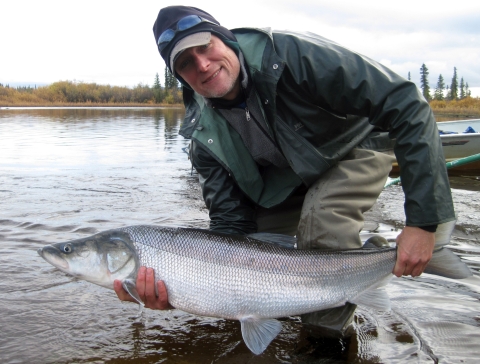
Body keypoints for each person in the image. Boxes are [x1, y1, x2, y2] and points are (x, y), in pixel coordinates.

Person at [114, 5, 455, 337]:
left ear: (226, 39)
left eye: (205, 47)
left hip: (355, 144)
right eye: (186, 63)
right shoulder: (203, 136)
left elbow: (408, 104)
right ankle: (366, 260)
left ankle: (327, 343)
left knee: (323, 223)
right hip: (288, 177)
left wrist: (423, 223)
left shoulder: (291, 57)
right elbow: (230, 227)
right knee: (250, 256)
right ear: (181, 77)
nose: (202, 65)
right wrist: (182, 290)